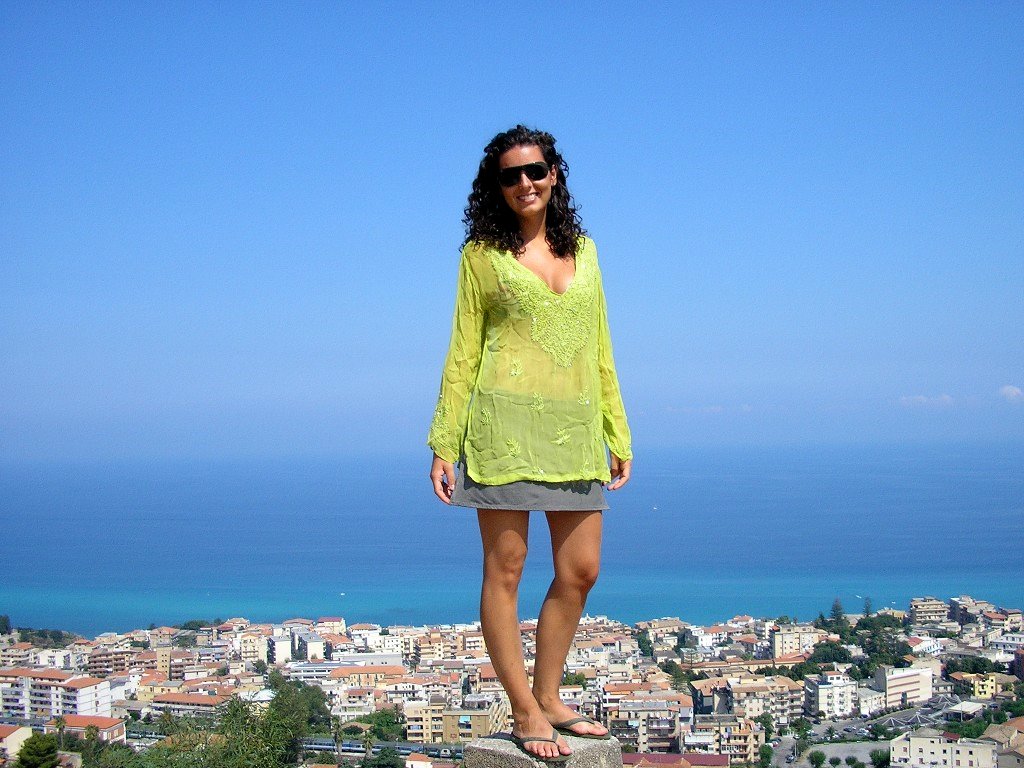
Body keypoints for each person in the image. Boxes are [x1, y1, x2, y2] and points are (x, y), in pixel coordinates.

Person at [427, 125, 632, 762]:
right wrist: (444, 441)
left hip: (576, 433)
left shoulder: (586, 251)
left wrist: (617, 429)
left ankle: (549, 694)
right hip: (502, 432)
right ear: (496, 187)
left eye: (535, 170)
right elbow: (464, 351)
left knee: (581, 571)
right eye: (511, 175)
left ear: (554, 174)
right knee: (507, 569)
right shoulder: (481, 256)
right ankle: (523, 708)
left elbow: (601, 347)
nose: (525, 183)